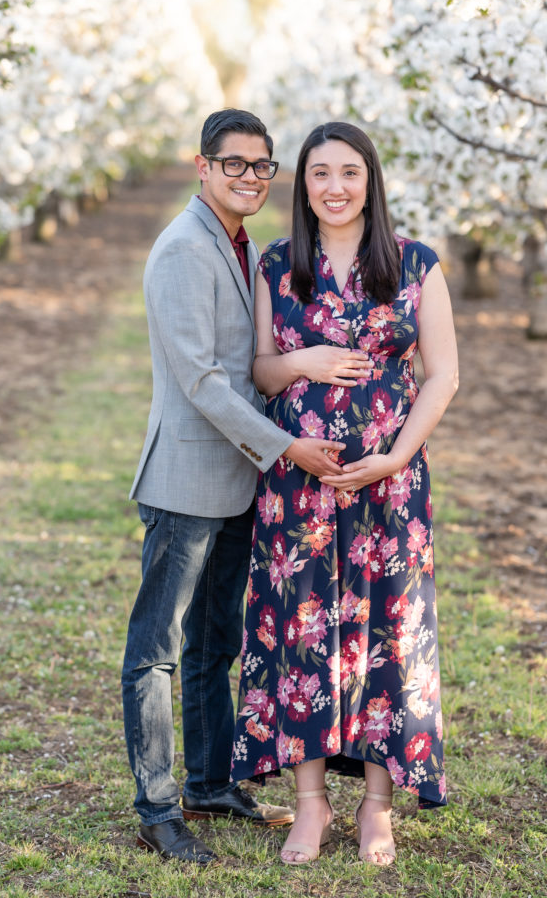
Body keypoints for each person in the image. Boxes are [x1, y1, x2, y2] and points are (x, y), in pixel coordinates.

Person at [122, 110, 372, 865]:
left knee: (214, 645)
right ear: (202, 167)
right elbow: (202, 380)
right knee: (157, 651)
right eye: (233, 164)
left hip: (240, 481)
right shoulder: (180, 252)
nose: (248, 178)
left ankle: (209, 783)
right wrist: (286, 445)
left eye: (260, 166)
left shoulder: (242, 248)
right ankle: (157, 809)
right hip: (188, 479)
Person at [230, 122, 459, 866]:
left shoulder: (415, 264)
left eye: (349, 173)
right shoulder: (276, 264)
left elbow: (442, 375)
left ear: (371, 182)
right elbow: (261, 372)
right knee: (299, 635)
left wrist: (393, 456)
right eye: (319, 173)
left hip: (388, 493)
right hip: (297, 488)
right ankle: (309, 805)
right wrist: (306, 360)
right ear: (302, 185)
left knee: (387, 634)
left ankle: (375, 806)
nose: (334, 187)